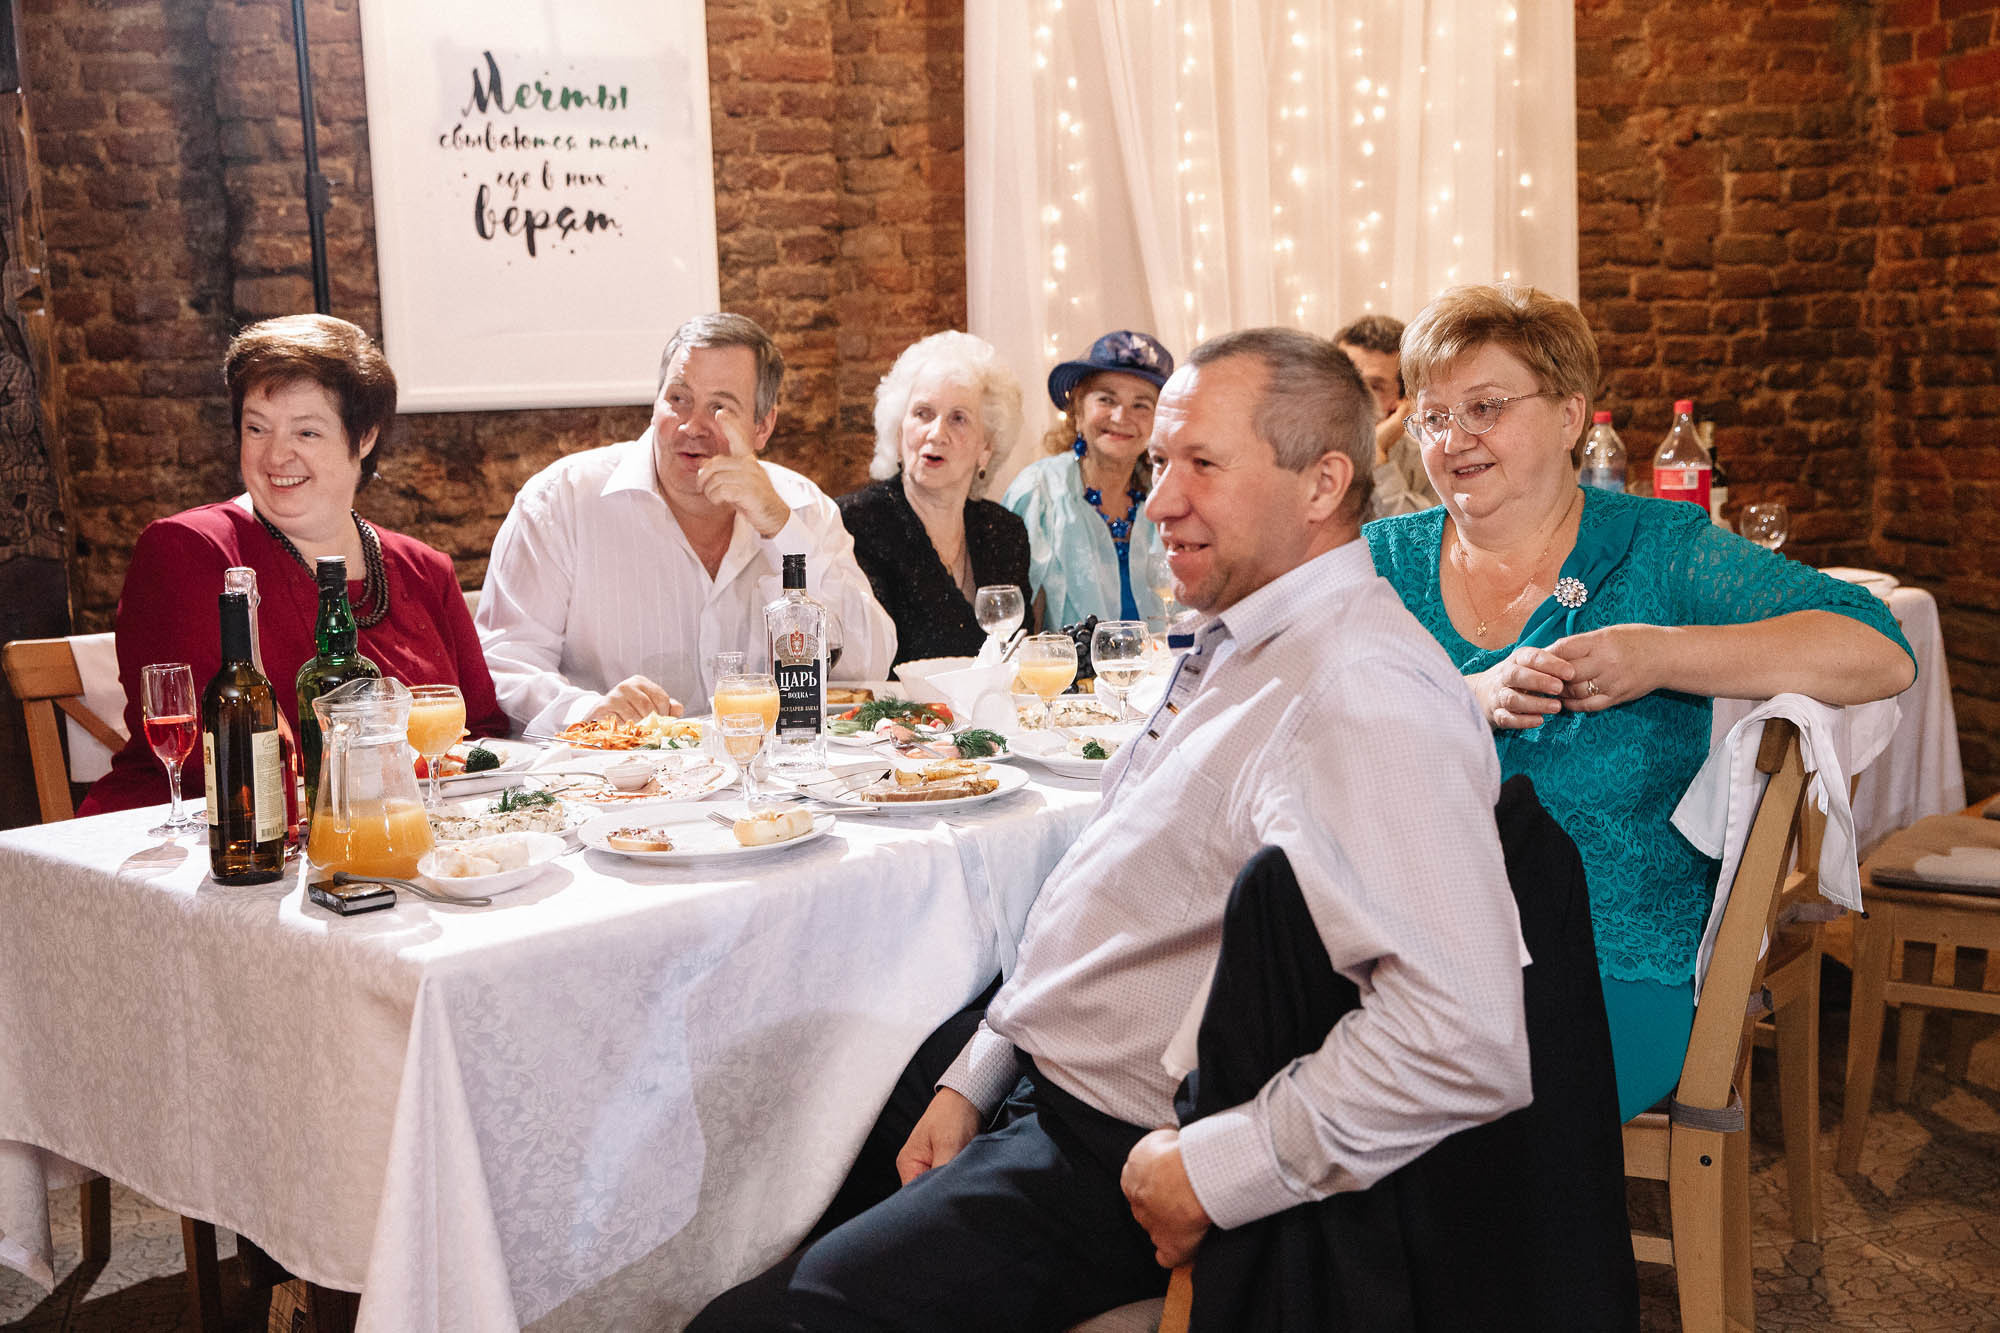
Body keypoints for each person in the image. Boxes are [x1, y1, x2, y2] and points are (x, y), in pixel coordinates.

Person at [692, 329, 1532, 1330]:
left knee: (779, 1312)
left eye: (1201, 464)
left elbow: (1466, 1036)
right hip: (1033, 1081)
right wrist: (976, 1070)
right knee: (757, 1233)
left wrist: (1216, 1170)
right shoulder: (1248, 635)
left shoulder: (1359, 692)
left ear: (1321, 485)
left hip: (1115, 1153)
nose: (1163, 495)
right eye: (1163, 459)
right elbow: (1103, 905)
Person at [1365, 283, 1916, 1121]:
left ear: (1569, 415)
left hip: (1604, 961)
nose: (1454, 440)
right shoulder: (1381, 561)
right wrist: (1461, 695)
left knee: (1400, 1114)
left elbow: (1878, 646)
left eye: (1485, 407)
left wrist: (1663, 654)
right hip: (1404, 944)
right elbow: (1281, 704)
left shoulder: (1659, 551)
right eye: (1433, 416)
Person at [81, 314, 505, 815]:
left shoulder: (424, 569)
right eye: (256, 428)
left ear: (364, 436)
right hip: (212, 845)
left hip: (395, 835)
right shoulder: (189, 549)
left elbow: (483, 733)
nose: (276, 455)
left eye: (306, 432)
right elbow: (211, 758)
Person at [476, 313, 896, 735]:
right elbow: (504, 661)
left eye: (720, 407)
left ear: (762, 425)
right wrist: (587, 713)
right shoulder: (560, 502)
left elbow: (870, 660)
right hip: (608, 784)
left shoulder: (801, 508)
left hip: (770, 785)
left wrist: (780, 530)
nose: (692, 426)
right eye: (677, 399)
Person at [837, 332, 1032, 666]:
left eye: (958, 418)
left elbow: (1017, 656)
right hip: (893, 717)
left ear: (986, 447)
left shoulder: (1003, 531)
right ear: (898, 432)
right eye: (923, 414)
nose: (935, 433)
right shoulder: (855, 524)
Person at [1002, 330, 1173, 627]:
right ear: (1078, 412)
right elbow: (1019, 630)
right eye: (1107, 399)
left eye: (1141, 404)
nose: (1121, 417)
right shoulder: (1039, 493)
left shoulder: (1169, 497)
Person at [1335, 312, 1438, 517]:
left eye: (1375, 387)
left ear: (1403, 398)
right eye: (1345, 379)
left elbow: (1421, 542)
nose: (1354, 395)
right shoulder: (1294, 445)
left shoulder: (1427, 457)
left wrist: (1376, 457)